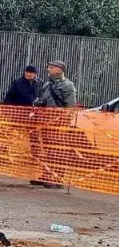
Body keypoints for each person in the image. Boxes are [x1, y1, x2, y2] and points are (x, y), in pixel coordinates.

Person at [29, 60, 78, 189]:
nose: (48, 70)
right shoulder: (46, 85)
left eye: (51, 68)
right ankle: (46, 174)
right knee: (47, 150)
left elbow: (70, 107)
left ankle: (57, 177)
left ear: (60, 70)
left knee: (58, 150)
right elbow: (43, 100)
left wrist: (64, 124)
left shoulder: (68, 86)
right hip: (45, 122)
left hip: (59, 123)